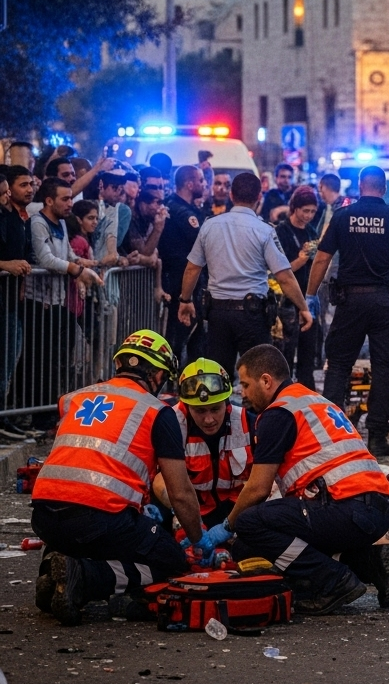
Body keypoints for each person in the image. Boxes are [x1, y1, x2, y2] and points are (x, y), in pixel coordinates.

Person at [30, 330, 206, 625]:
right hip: (98, 519)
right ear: (159, 374)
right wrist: (199, 539)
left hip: (44, 517)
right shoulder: (157, 412)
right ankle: (85, 578)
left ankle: (54, 568)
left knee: (90, 531)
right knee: (170, 560)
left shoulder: (76, 399)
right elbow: (181, 494)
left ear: (119, 364)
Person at [215, 344, 389, 613]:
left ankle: (334, 581)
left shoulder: (277, 414)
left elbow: (258, 488)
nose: (242, 394)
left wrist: (226, 526)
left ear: (266, 381)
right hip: (377, 508)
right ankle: (369, 563)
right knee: (247, 549)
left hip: (345, 507)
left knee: (250, 523)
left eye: (246, 385)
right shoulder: (315, 401)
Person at [306, 165, 389, 458]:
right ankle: (377, 438)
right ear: (384, 188)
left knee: (338, 365)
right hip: (384, 304)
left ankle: (332, 437)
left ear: (360, 185)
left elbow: (321, 259)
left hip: (350, 302)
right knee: (383, 368)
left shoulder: (342, 217)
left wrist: (310, 294)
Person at [179, 172, 312, 379]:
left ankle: (221, 412)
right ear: (259, 197)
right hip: (252, 316)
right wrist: (303, 308)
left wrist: (185, 300)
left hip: (218, 315)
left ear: (231, 195)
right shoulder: (264, 230)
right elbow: (284, 277)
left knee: (218, 380)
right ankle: (257, 413)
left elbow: (192, 269)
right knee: (260, 379)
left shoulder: (209, 226)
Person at [25, 180, 102, 426]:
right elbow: (46, 259)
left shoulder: (61, 224)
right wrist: (77, 271)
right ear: (49, 200)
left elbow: (67, 254)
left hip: (59, 301)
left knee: (59, 358)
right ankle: (39, 416)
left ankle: (52, 410)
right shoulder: (38, 222)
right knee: (43, 361)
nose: (71, 203)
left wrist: (83, 263)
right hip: (40, 301)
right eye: (65, 199)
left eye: (71, 198)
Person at [151, 359, 255, 529]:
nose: (208, 420)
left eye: (215, 409)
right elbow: (159, 479)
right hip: (187, 507)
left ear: (227, 402)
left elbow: (262, 484)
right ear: (187, 405)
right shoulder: (171, 424)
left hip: (236, 509)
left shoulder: (248, 424)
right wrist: (182, 515)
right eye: (199, 410)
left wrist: (231, 526)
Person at [272, 186, 319, 388]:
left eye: (312, 212)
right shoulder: (281, 231)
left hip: (308, 297)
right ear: (295, 208)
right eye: (305, 211)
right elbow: (281, 270)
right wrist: (303, 258)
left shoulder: (311, 231)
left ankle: (306, 391)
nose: (308, 216)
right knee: (286, 352)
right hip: (287, 300)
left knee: (309, 351)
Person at [161, 165, 207, 365]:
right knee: (181, 336)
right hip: (181, 281)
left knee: (193, 336)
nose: (204, 184)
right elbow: (202, 241)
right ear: (190, 184)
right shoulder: (181, 212)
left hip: (185, 281)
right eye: (201, 180)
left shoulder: (179, 206)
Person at [0, 174, 31, 440]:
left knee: (9, 362)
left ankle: (4, 415)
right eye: (1, 194)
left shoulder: (11, 217)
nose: (6, 198)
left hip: (10, 302)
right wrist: (5, 265)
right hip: (3, 302)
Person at [125, 190, 167, 260]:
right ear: (144, 203)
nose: (162, 207)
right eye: (158, 202)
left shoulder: (149, 220)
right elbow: (144, 252)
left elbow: (153, 250)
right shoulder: (132, 219)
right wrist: (158, 229)